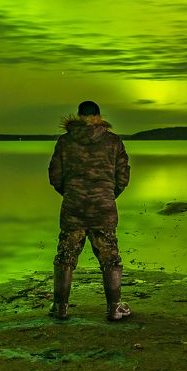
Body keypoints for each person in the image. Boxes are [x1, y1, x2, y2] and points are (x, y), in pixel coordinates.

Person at [48, 100, 131, 322]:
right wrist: (107, 194)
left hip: (73, 207)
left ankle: (60, 307)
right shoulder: (113, 142)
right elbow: (123, 177)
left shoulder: (65, 142)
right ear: (99, 116)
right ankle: (114, 308)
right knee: (110, 258)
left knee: (66, 256)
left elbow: (54, 176)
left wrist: (71, 193)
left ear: (78, 116)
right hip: (103, 208)